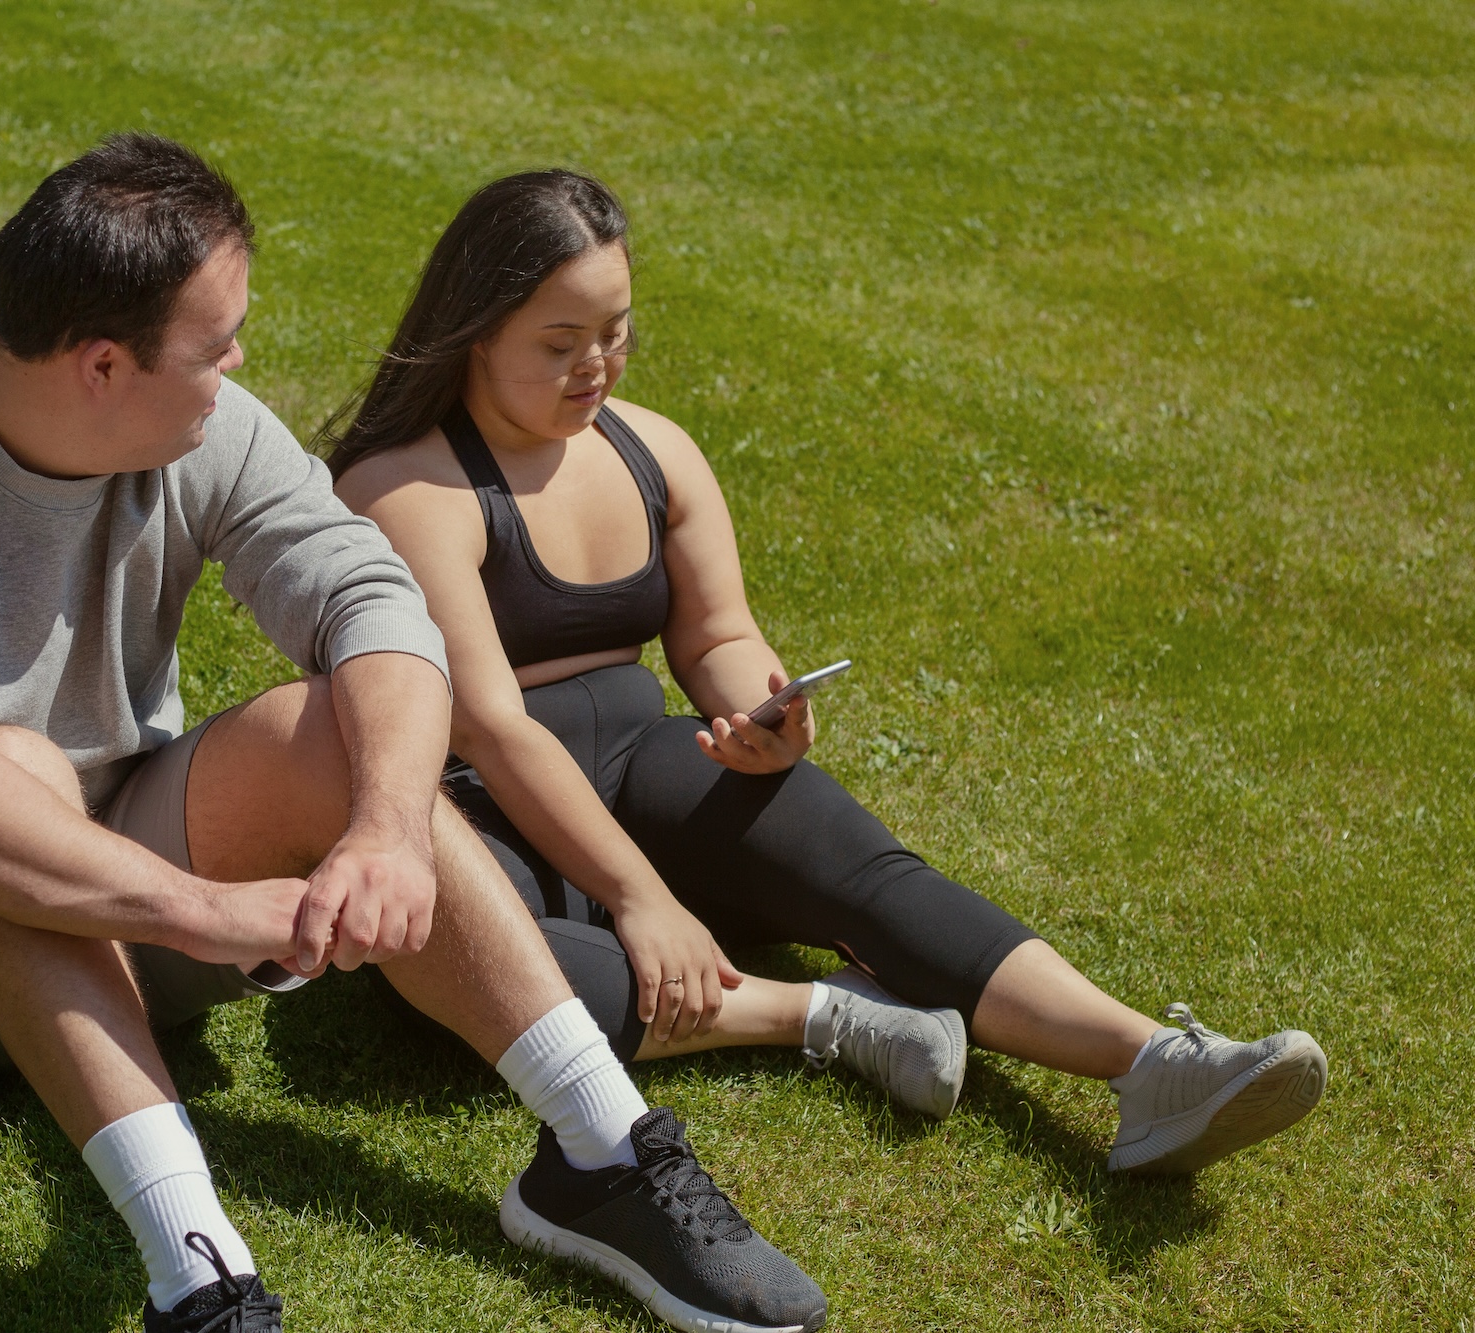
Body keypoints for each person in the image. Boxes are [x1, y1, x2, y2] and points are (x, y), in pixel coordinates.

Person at [0, 137, 828, 1333]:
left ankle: (601, 1151)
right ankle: (199, 1284)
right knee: (6, 769)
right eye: (216, 347)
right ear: (104, 364)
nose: (237, 368)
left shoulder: (200, 424)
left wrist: (385, 832)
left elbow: (371, 602)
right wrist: (204, 912)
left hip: (123, 879)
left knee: (338, 728)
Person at [327, 168, 1328, 1176]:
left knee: (863, 869)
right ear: (476, 329)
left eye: (615, 332)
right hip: (473, 808)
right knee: (463, 956)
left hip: (639, 760)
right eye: (559, 343)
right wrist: (638, 895)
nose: (596, 365)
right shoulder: (410, 489)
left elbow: (716, 633)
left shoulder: (652, 453)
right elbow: (494, 728)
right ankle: (824, 1014)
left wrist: (760, 708)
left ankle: (1150, 1061)